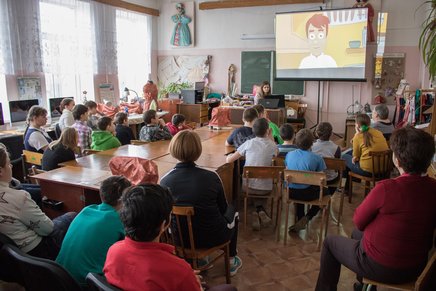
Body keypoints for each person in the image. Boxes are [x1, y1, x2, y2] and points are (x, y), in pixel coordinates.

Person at [315, 126, 436, 291]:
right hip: (417, 267)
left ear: (397, 160)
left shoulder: (387, 188)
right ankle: (362, 285)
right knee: (356, 235)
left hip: (382, 267)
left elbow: (358, 220)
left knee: (330, 243)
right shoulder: (433, 187)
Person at [104, 183, 237, 291]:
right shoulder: (178, 269)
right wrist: (191, 281)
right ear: (164, 224)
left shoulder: (112, 251)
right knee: (229, 289)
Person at [161, 131, 242, 276]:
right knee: (233, 211)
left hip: (179, 240)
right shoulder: (211, 176)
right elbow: (224, 209)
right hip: (213, 237)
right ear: (198, 150)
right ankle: (231, 260)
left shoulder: (164, 181)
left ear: (173, 149)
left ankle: (200, 259)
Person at [0, 143, 75, 260]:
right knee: (72, 216)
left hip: (11, 256)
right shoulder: (19, 197)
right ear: (0, 171)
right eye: (9, 164)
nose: (11, 166)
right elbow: (48, 229)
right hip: (36, 251)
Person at [56, 176, 131, 286]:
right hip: (85, 284)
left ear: (101, 194)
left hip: (58, 276)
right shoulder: (118, 220)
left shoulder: (87, 209)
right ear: (124, 199)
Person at [226, 118, 278, 231]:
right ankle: (260, 211)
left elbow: (230, 160)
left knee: (252, 185)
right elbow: (276, 154)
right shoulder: (273, 146)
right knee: (262, 188)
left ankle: (257, 211)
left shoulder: (249, 143)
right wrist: (271, 137)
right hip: (267, 188)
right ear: (268, 131)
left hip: (248, 188)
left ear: (253, 130)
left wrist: (228, 157)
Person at [285, 128, 327, 232]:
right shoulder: (317, 158)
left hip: (290, 192)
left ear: (296, 141)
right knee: (326, 192)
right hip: (307, 194)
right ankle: (308, 217)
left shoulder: (289, 155)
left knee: (300, 185)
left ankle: (300, 218)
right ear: (312, 143)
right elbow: (321, 177)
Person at [342, 114, 389, 191]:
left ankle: (346, 189)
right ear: (370, 123)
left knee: (344, 157)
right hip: (383, 169)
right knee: (350, 152)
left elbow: (355, 157)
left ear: (356, 125)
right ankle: (355, 179)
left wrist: (356, 135)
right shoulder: (378, 132)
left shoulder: (358, 136)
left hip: (368, 171)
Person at [312, 122, 341, 194]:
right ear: (331, 134)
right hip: (331, 179)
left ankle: (320, 193)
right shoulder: (336, 148)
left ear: (316, 133)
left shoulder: (311, 146)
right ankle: (329, 195)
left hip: (314, 177)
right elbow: (337, 167)